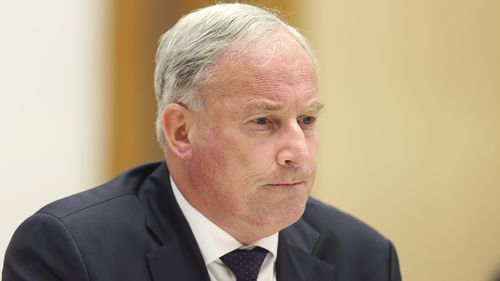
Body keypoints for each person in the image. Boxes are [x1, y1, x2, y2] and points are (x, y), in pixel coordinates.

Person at [3, 3, 402, 281]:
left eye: (307, 120)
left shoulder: (362, 257)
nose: (297, 151)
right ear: (181, 131)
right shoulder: (70, 250)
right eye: (264, 121)